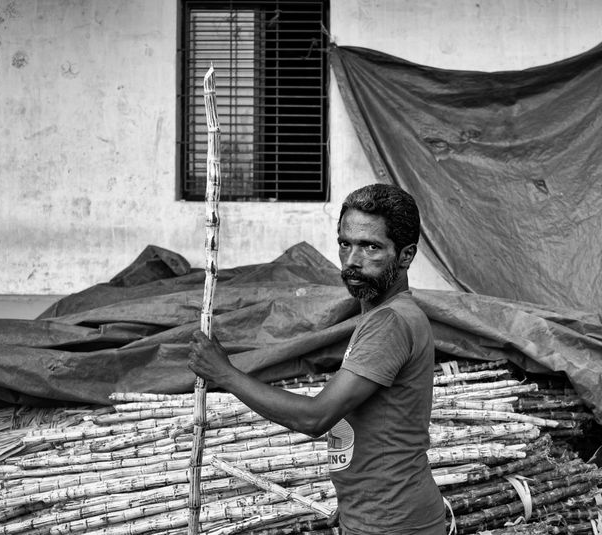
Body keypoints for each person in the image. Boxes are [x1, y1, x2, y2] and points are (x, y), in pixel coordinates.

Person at [188, 183, 446, 534]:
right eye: (345, 244)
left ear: (405, 255)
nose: (352, 260)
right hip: (380, 513)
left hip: (392, 523)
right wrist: (356, 495)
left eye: (371, 247)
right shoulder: (384, 315)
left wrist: (225, 374)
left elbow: (315, 417)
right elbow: (384, 424)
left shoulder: (390, 322)